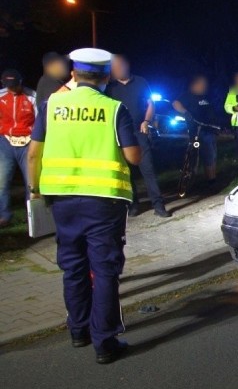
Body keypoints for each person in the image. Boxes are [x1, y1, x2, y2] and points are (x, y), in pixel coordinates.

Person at [27, 48, 141, 364]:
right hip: (104, 200)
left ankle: (78, 331)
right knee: (104, 269)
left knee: (72, 264)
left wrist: (35, 191)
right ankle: (105, 342)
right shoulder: (115, 108)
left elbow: (34, 153)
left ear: (74, 75)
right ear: (105, 77)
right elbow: (133, 157)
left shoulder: (52, 105)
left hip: (61, 199)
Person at [106, 55, 171, 217]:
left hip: (139, 132)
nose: (118, 69)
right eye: (114, 66)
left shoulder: (140, 81)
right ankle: (133, 204)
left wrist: (146, 121)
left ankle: (158, 205)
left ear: (127, 66)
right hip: (120, 135)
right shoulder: (109, 87)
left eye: (120, 65)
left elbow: (150, 104)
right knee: (127, 172)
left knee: (148, 169)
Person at [0, 69, 36, 227]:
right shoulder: (1, 96)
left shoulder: (32, 96)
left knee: (31, 182)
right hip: (6, 142)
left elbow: (39, 119)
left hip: (27, 142)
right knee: (2, 181)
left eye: (14, 85)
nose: (12, 88)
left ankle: (32, 218)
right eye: (9, 85)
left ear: (20, 82)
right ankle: (4, 216)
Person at [173, 74, 218, 187]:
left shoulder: (206, 97)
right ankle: (195, 179)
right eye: (201, 84)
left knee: (212, 155)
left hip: (210, 130)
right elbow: (175, 103)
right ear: (195, 84)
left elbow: (212, 112)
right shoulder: (188, 95)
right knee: (199, 155)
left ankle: (212, 179)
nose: (203, 86)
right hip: (197, 131)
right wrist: (186, 113)